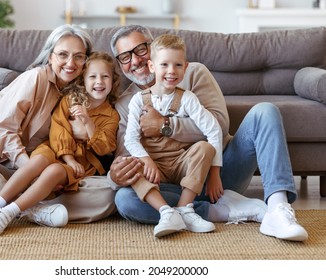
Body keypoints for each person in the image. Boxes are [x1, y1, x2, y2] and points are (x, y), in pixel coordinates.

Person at [109, 25, 308, 242]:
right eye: (125, 56)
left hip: (219, 174)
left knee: (265, 111)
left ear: (153, 47)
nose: (135, 60)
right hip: (167, 184)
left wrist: (165, 125)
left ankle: (278, 209)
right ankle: (219, 210)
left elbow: (219, 125)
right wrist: (115, 176)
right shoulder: (125, 102)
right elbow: (125, 155)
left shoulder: (193, 72)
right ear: (120, 64)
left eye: (140, 49)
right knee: (125, 200)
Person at [0, 24, 116, 227]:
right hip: (15, 168)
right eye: (63, 55)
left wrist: (85, 132)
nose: (71, 63)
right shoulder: (35, 78)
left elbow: (104, 134)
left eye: (78, 56)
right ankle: (29, 208)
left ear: (85, 61)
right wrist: (31, 170)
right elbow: (4, 132)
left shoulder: (81, 91)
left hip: (52, 174)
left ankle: (15, 204)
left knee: (108, 195)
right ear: (50, 56)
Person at [0, 52, 120, 235]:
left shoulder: (112, 115)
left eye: (105, 76)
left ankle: (10, 212)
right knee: (38, 161)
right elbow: (58, 128)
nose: (99, 81)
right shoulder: (70, 100)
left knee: (54, 171)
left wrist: (88, 123)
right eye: (93, 76)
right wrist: (68, 157)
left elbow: (106, 147)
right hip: (54, 148)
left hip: (81, 163)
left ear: (113, 81)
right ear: (83, 80)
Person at [124, 34, 223, 237]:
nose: (171, 71)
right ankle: (166, 212)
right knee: (130, 164)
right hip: (154, 167)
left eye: (178, 65)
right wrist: (146, 160)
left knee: (205, 147)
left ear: (185, 68)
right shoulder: (137, 100)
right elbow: (130, 139)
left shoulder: (188, 98)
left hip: (181, 163)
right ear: (152, 66)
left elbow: (213, 130)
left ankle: (185, 208)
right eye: (164, 65)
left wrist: (214, 173)